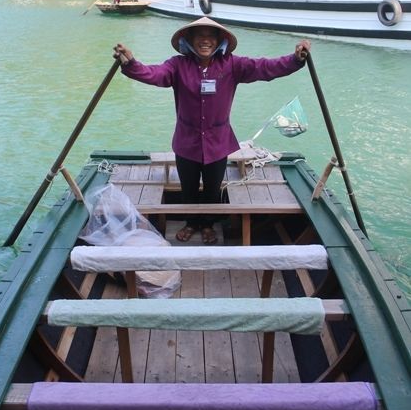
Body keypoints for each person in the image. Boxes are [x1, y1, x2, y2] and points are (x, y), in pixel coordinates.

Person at [113, 17, 311, 245]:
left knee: (212, 189)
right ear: (190, 41)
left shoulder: (232, 65)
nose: (205, 41)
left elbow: (266, 68)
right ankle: (191, 223)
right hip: (186, 143)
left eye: (211, 36)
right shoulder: (178, 65)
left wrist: (295, 60)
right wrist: (130, 64)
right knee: (188, 189)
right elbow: (154, 74)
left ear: (219, 41)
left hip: (218, 143)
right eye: (200, 36)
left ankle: (207, 224)